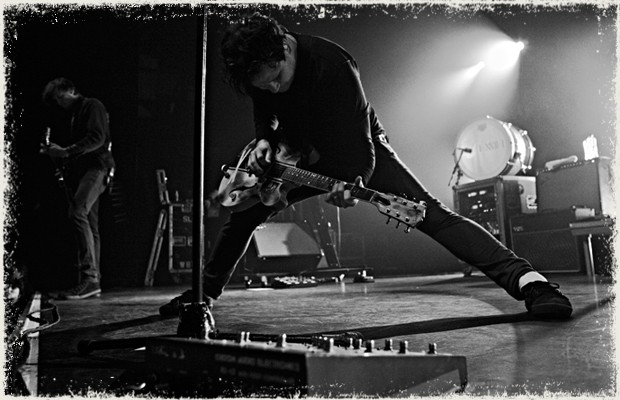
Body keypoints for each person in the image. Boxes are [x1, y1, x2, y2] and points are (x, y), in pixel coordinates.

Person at [159, 13, 572, 325]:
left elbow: (362, 151)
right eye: (262, 85)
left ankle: (531, 283)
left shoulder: (334, 65)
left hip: (358, 149)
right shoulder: (261, 69)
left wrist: (352, 183)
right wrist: (264, 138)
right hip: (297, 153)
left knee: (431, 215)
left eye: (277, 79)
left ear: (284, 48)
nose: (272, 88)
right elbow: (265, 110)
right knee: (246, 212)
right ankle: (202, 296)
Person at [40, 77, 115, 300]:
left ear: (71, 90)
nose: (60, 104)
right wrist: (60, 156)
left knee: (77, 213)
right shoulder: (76, 114)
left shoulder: (92, 105)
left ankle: (90, 278)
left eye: (61, 97)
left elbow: (97, 138)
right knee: (90, 225)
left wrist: (65, 151)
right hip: (90, 170)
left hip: (98, 168)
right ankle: (93, 281)